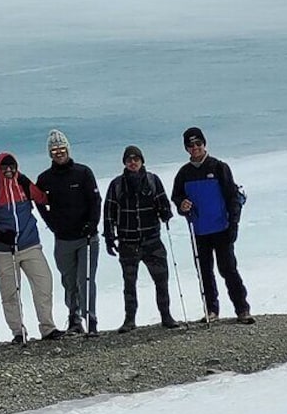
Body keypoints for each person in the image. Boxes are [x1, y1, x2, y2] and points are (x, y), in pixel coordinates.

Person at [171, 127, 254, 324]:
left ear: (204, 144)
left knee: (228, 269)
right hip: (199, 231)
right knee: (205, 272)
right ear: (186, 148)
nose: (195, 148)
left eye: (198, 143)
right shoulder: (184, 173)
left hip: (222, 228)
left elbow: (233, 198)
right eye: (191, 145)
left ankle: (242, 309)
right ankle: (212, 311)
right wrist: (182, 205)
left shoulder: (219, 167)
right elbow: (177, 197)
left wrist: (233, 225)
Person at [0, 153, 65, 343]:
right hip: (5, 250)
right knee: (10, 292)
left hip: (30, 245)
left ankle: (48, 328)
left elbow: (43, 199)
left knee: (44, 284)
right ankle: (18, 332)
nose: (9, 170)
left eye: (12, 167)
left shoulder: (24, 186)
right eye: (4, 168)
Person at [104, 146, 180, 333]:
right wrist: (109, 237)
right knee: (129, 284)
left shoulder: (153, 181)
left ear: (142, 161)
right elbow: (108, 213)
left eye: (136, 159)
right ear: (124, 163)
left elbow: (165, 206)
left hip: (152, 240)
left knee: (161, 281)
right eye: (129, 160)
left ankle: (166, 316)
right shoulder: (117, 185)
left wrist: (166, 213)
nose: (133, 162)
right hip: (127, 242)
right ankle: (129, 320)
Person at [35, 130, 102, 335]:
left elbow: (96, 200)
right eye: (54, 150)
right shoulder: (45, 179)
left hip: (87, 237)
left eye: (62, 149)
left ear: (68, 150)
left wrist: (92, 224)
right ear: (50, 153)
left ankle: (91, 320)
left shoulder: (83, 173)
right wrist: (51, 223)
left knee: (86, 280)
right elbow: (38, 202)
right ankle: (74, 319)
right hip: (63, 239)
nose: (59, 153)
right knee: (69, 281)